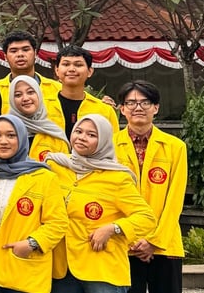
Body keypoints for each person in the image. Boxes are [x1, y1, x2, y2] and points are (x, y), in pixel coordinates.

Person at [45, 115, 156, 293]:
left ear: (104, 141)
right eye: (79, 131)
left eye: (91, 135)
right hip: (61, 269)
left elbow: (146, 218)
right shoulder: (56, 166)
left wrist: (112, 228)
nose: (82, 137)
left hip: (102, 271)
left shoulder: (117, 177)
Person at [112, 81, 187, 293]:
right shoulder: (109, 146)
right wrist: (130, 237)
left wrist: (154, 241)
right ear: (122, 109)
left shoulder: (175, 147)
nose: (138, 107)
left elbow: (175, 200)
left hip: (164, 245)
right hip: (124, 245)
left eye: (145, 102)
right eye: (131, 102)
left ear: (156, 108)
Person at [0, 115, 68, 293]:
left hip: (20, 269)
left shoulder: (43, 177)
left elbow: (58, 223)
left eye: (11, 135)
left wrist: (31, 244)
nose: (3, 141)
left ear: (22, 138)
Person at [46, 46, 121, 139]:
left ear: (90, 71)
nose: (71, 69)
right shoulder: (43, 107)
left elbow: (113, 143)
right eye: (66, 64)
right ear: (57, 70)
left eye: (78, 65)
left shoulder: (105, 110)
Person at [0, 31, 61, 114]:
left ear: (35, 54)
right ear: (5, 57)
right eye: (14, 51)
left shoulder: (58, 89)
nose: (20, 54)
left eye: (25, 50)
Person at [8, 75, 70, 162]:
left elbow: (65, 167)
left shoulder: (54, 133)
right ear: (12, 100)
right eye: (18, 95)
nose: (25, 98)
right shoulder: (5, 130)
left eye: (30, 92)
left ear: (39, 95)